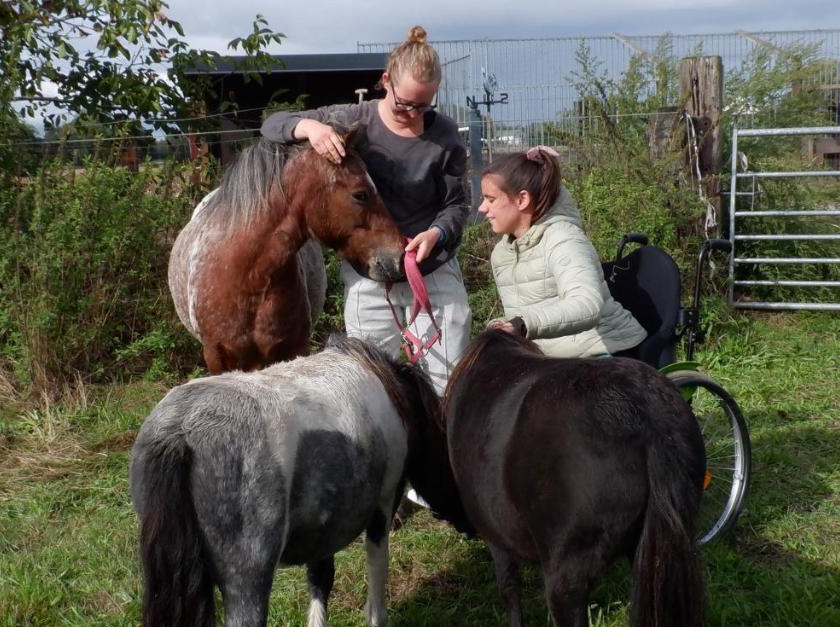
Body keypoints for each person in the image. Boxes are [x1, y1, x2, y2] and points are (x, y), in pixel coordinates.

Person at [261, 25, 471, 396]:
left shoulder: (445, 136)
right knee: (372, 389)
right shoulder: (352, 117)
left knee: (446, 384)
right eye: (405, 103)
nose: (413, 114)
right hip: (370, 280)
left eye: (425, 105)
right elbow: (271, 124)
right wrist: (309, 127)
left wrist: (435, 234)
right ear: (386, 81)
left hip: (433, 273)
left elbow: (456, 205)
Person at [478, 146, 647, 359]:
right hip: (549, 361)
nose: (482, 208)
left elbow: (586, 306)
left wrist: (522, 324)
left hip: (603, 354)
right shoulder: (502, 253)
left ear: (522, 200)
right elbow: (523, 319)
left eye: (490, 199)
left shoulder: (564, 240)